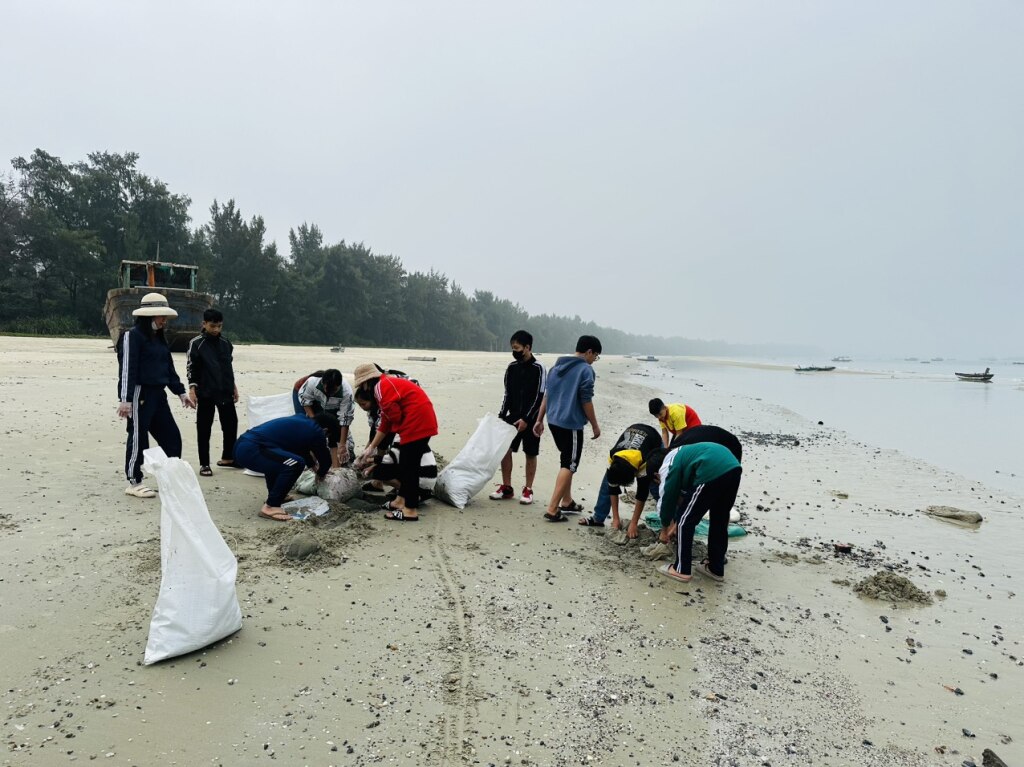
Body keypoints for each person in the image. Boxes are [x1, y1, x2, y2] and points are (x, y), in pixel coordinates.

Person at [117, 293, 196, 498]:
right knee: (138, 437)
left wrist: (180, 392)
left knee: (172, 438)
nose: (164, 320)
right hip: (138, 394)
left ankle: (170, 478)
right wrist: (125, 399)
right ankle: (134, 482)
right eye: (161, 316)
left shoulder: (159, 337)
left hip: (158, 395)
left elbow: (167, 367)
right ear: (149, 316)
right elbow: (127, 369)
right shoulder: (131, 336)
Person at [646, 438, 742, 583]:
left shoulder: (668, 465)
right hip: (733, 467)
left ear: (656, 475)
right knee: (719, 520)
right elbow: (691, 500)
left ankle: (681, 569)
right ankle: (715, 569)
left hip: (712, 468)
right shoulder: (683, 454)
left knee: (685, 522)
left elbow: (667, 498)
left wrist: (664, 529)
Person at [353, 364, 438, 521]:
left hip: (416, 424)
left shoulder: (380, 387)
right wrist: (371, 448)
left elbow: (394, 417)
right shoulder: (386, 384)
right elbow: (385, 421)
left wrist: (398, 431)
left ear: (365, 383)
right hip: (421, 421)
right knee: (407, 465)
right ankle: (400, 501)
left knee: (409, 468)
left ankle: (410, 510)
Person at [532, 335, 602, 522]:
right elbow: (585, 399)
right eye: (595, 356)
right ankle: (553, 509)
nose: (594, 360)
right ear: (588, 352)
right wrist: (595, 425)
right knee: (569, 464)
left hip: (553, 420)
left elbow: (547, 395)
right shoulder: (585, 370)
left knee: (566, 460)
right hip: (570, 423)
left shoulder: (556, 367)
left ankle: (567, 501)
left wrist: (539, 420)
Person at [233, 413, 334, 521]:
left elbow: (301, 448)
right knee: (296, 463)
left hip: (243, 446)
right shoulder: (317, 431)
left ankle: (277, 495)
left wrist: (312, 465)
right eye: (327, 436)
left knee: (282, 461)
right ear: (325, 430)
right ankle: (271, 506)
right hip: (251, 449)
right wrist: (321, 473)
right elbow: (325, 459)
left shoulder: (303, 422)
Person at [490, 330, 546, 505]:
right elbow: (507, 394)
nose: (514, 351)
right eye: (513, 348)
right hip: (512, 415)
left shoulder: (539, 368)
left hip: (532, 418)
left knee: (530, 453)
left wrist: (527, 420)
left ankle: (528, 489)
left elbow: (540, 396)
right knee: (505, 450)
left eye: (517, 348)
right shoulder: (511, 367)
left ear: (527, 347)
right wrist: (501, 416)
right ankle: (507, 487)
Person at [578, 423, 663, 537]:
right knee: (606, 482)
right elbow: (612, 487)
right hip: (631, 436)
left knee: (655, 486)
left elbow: (642, 494)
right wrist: (615, 518)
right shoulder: (614, 456)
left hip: (653, 441)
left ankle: (671, 521)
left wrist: (633, 523)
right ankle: (598, 518)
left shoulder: (643, 461)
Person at [186, 308, 239, 477]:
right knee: (204, 428)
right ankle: (204, 464)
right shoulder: (196, 343)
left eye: (219, 326)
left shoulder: (226, 343)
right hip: (206, 391)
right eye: (213, 326)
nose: (216, 330)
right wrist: (192, 389)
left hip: (225, 390)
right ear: (204, 324)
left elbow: (228, 367)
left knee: (231, 424)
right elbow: (191, 367)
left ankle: (228, 457)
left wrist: (234, 387)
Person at [293, 369, 354, 468]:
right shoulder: (312, 382)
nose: (329, 393)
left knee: (334, 433)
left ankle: (335, 470)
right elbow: (305, 402)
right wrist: (315, 424)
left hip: (333, 407)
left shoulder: (346, 392)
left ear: (338, 386)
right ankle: (309, 466)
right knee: (310, 432)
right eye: (326, 390)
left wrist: (342, 444)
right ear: (322, 382)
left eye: (333, 390)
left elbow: (345, 419)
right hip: (308, 399)